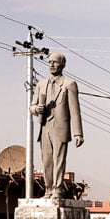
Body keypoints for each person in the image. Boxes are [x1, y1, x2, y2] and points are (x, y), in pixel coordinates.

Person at [30, 52, 83, 198]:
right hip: (45, 126)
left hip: (61, 127)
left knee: (58, 159)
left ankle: (57, 189)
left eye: (55, 62)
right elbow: (32, 106)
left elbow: (75, 110)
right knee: (46, 160)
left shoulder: (69, 84)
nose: (52, 64)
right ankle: (48, 189)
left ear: (63, 64)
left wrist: (78, 133)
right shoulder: (41, 84)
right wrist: (36, 109)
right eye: (49, 62)